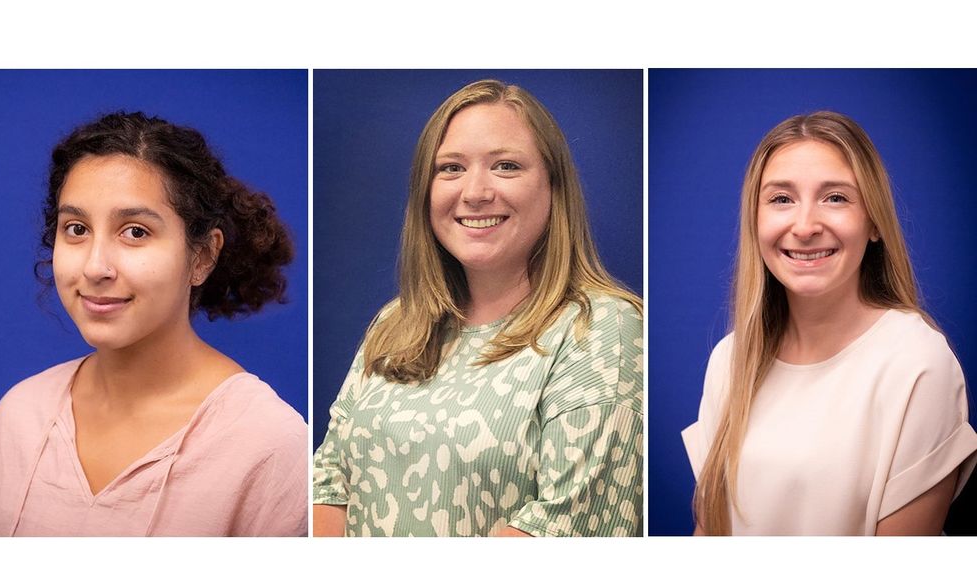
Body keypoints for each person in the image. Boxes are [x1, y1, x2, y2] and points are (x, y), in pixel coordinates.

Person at [312, 79, 643, 537]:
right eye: (450, 168)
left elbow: (562, 528)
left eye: (505, 166)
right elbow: (328, 484)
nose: (475, 192)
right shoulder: (396, 322)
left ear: (554, 187)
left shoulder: (601, 329)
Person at [0, 112, 308, 536]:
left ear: (203, 256)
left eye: (134, 232)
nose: (96, 267)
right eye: (76, 229)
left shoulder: (268, 444)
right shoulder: (21, 414)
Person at [682, 111, 977, 535]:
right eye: (781, 199)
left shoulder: (918, 364)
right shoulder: (729, 360)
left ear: (873, 221)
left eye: (835, 197)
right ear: (755, 221)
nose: (804, 227)